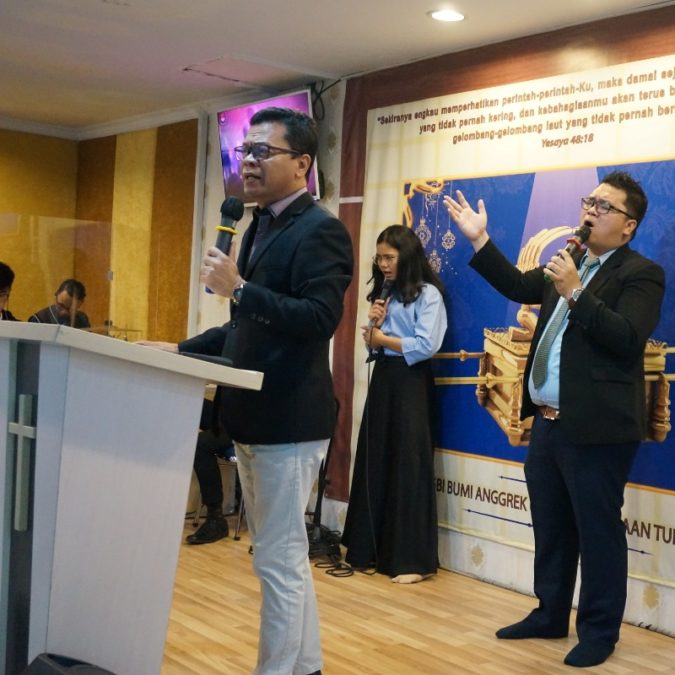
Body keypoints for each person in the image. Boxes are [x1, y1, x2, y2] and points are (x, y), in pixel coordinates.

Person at [140, 107, 353, 675]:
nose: (249, 162)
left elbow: (318, 319)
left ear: (302, 164)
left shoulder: (321, 229)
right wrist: (181, 350)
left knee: (277, 560)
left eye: (263, 151)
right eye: (245, 151)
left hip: (289, 419)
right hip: (251, 415)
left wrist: (239, 287)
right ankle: (305, 666)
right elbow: (245, 329)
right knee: (283, 558)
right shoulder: (259, 223)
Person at [444, 171, 665, 668]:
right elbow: (517, 284)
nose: (590, 210)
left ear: (628, 225)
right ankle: (549, 613)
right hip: (547, 422)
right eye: (590, 201)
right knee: (552, 524)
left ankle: (599, 631)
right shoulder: (570, 261)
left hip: (598, 428)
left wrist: (576, 293)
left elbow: (627, 338)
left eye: (604, 206)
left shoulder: (640, 273)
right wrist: (479, 239)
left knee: (598, 532)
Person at [341, 224, 447, 584]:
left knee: (408, 464)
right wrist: (373, 333)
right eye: (379, 258)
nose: (383, 264)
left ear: (407, 257)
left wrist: (382, 338)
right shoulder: (385, 295)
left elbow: (425, 345)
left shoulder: (428, 295)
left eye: (389, 257)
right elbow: (374, 343)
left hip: (411, 383)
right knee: (376, 456)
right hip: (385, 377)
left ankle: (412, 561)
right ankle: (367, 549)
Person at [187, 395, 236, 545]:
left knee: (200, 444)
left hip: (254, 421)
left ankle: (216, 518)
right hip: (233, 412)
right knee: (187, 401)